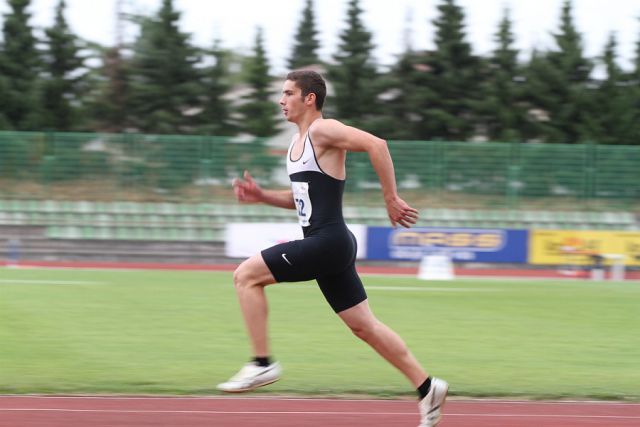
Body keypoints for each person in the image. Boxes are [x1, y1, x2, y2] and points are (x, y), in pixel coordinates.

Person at [217, 70, 448, 427]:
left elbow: (378, 144)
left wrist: (390, 198)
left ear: (309, 98)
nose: (281, 100)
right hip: (329, 245)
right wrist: (262, 196)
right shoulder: (298, 145)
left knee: (245, 276)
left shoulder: (323, 130)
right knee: (364, 326)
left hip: (328, 241)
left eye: (288, 93)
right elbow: (302, 201)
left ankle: (262, 364)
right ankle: (427, 388)